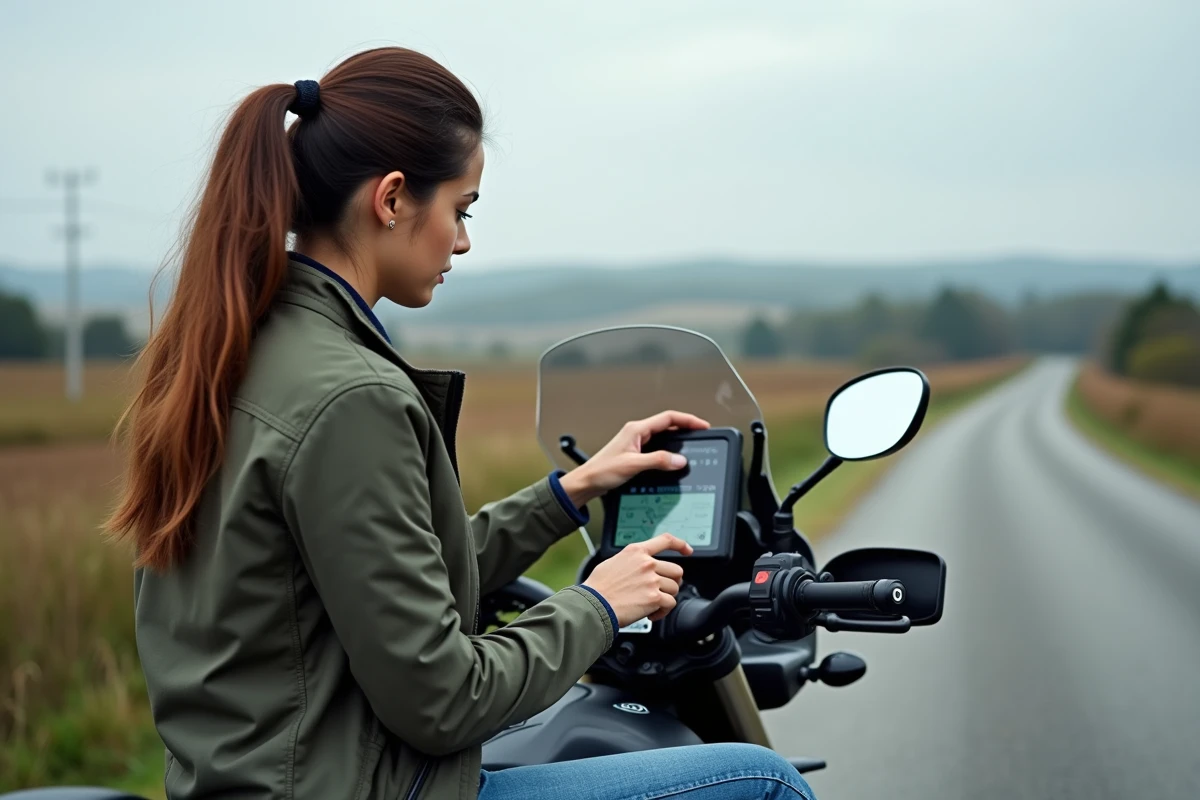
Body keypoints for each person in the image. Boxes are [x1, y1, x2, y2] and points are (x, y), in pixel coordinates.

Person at [107, 46, 817, 800]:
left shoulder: (233, 352)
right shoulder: (352, 397)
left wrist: (569, 492)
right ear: (390, 200)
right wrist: (601, 605)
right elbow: (444, 699)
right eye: (461, 209)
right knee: (761, 780)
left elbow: (385, 583)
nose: (465, 241)